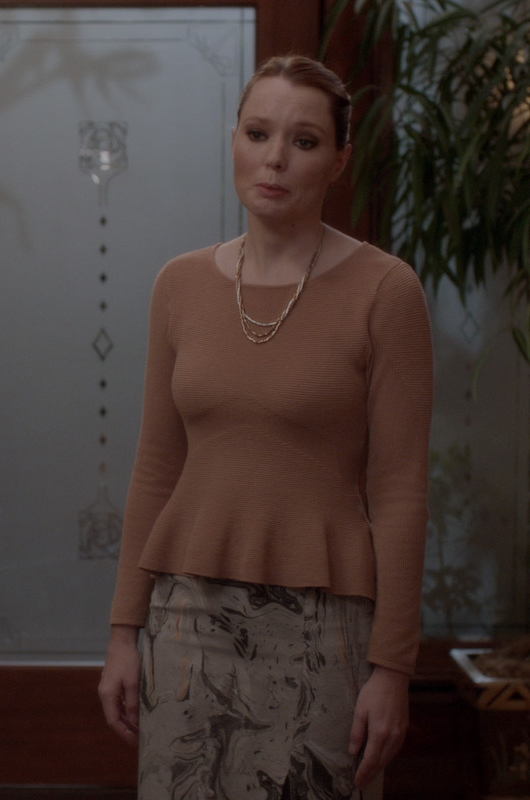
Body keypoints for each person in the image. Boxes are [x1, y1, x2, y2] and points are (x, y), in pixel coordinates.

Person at [97, 55, 433, 800]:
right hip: (184, 620)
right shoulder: (179, 285)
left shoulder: (386, 290)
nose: (275, 158)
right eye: (258, 132)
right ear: (235, 140)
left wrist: (393, 668)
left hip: (327, 628)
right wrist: (125, 634)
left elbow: (402, 489)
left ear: (340, 160)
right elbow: (156, 466)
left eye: (305, 141)